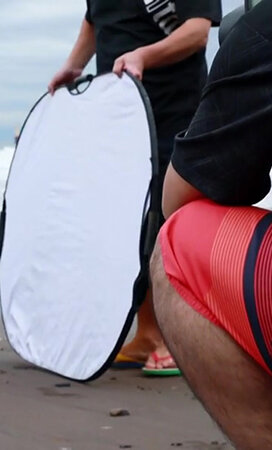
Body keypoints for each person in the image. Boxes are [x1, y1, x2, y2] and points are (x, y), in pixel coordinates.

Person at [48, 0, 221, 375]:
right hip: (120, 115)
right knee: (131, 224)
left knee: (168, 225)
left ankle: (176, 340)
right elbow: (96, 17)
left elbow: (197, 32)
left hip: (176, 110)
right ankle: (147, 333)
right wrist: (75, 64)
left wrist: (144, 55)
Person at [151, 1, 272, 445]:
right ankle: (145, 336)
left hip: (171, 108)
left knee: (178, 239)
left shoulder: (261, 28)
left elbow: (180, 199)